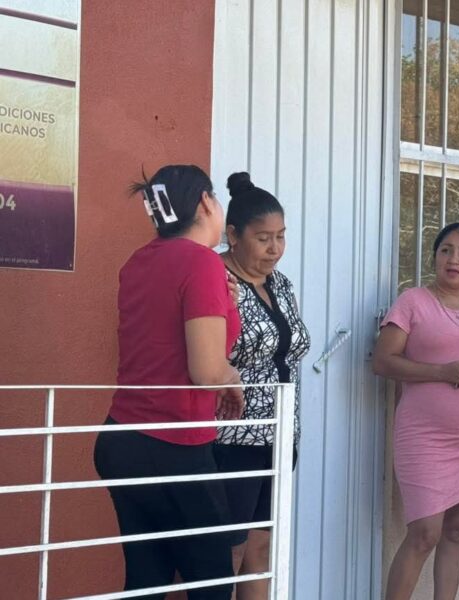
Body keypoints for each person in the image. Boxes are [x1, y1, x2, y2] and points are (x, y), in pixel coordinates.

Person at [93, 164, 244, 599]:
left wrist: (227, 304)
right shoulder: (201, 261)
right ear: (205, 202)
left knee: (147, 580)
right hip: (174, 442)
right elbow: (207, 371)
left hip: (123, 438)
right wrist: (232, 379)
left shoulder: (139, 260)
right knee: (213, 583)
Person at [372, 222, 459, 600]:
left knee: (457, 529)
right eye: (446, 250)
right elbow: (382, 361)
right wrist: (441, 372)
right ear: (435, 257)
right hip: (424, 437)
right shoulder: (413, 302)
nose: (454, 259)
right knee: (424, 533)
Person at [214, 172, 311, 599]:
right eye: (263, 238)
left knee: (261, 548)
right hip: (233, 438)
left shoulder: (281, 284)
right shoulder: (216, 278)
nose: (275, 248)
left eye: (281, 237)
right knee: (227, 552)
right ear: (233, 235)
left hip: (281, 436)